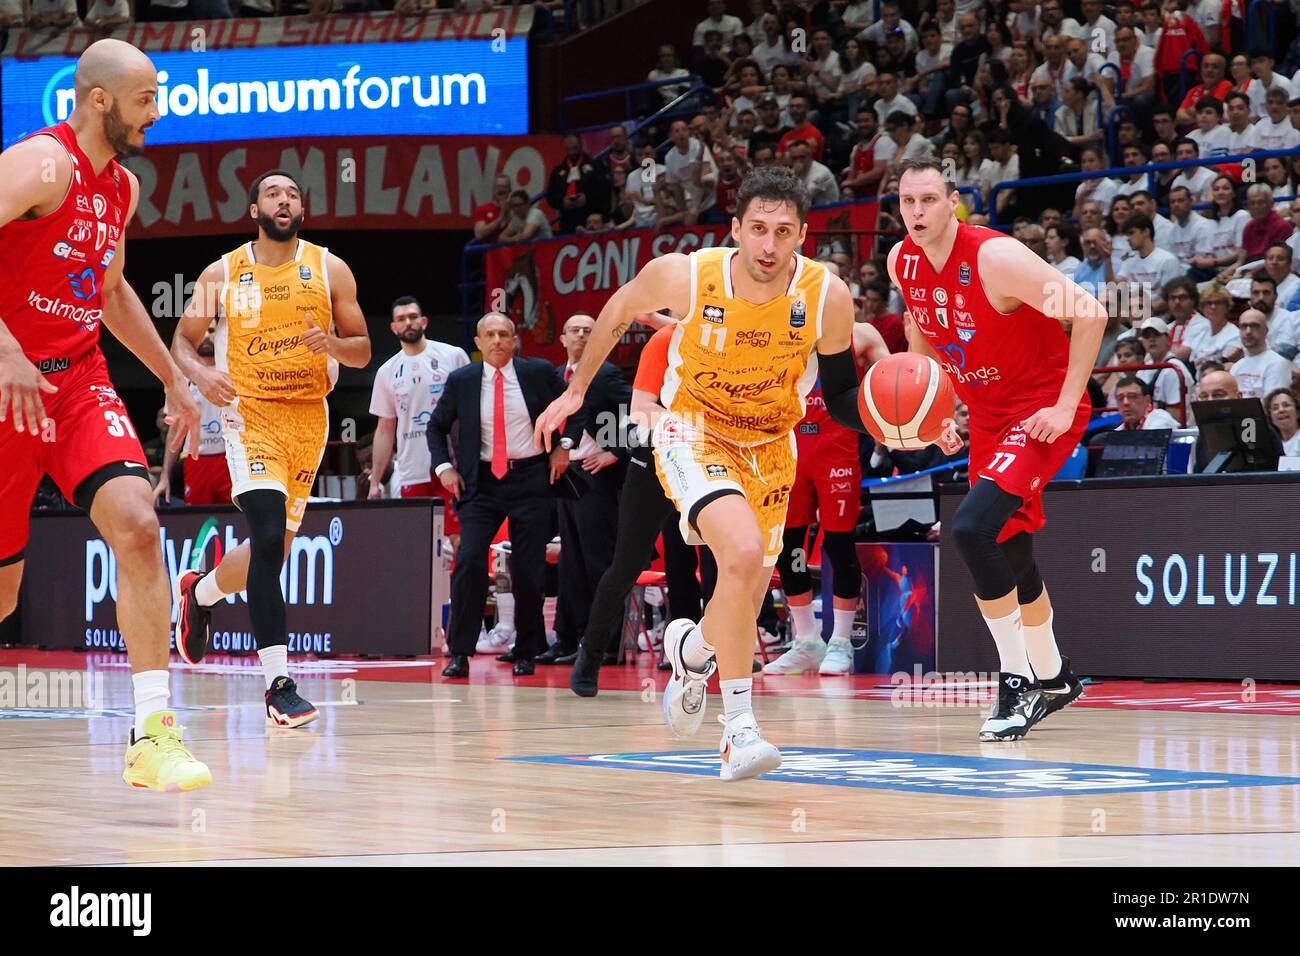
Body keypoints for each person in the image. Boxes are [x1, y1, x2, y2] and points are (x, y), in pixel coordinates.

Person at [536, 167, 871, 781]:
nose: (770, 246)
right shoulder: (686, 275)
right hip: (691, 432)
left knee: (744, 588)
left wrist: (897, 422)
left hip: (772, 444)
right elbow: (616, 311)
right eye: (759, 230)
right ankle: (738, 731)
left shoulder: (827, 296)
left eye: (785, 233)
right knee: (740, 555)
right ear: (737, 229)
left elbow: (845, 394)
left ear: (803, 237)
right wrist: (575, 392)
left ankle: (691, 653)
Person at [0, 39, 210, 792]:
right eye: (147, 99)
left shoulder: (120, 188)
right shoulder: (38, 164)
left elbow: (112, 290)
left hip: (80, 380)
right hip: (7, 388)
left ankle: (152, 735)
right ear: (99, 100)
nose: (157, 113)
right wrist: (5, 351)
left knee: (140, 525)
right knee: (5, 595)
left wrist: (173, 379)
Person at [890, 157, 1105, 740]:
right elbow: (920, 333)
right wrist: (933, 410)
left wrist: (1064, 407)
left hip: (1039, 408)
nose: (917, 212)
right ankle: (1057, 677)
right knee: (1010, 550)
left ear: (953, 201)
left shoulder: (994, 256)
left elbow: (1091, 312)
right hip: (984, 415)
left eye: (929, 200)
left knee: (971, 529)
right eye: (908, 201)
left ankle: (1016, 681)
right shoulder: (901, 260)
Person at [171, 169, 371, 727]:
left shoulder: (330, 267)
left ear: (301, 210)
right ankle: (279, 686)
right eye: (272, 194)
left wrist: (330, 342)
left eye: (293, 195)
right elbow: (181, 342)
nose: (284, 201)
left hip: (309, 419)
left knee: (271, 552)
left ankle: (201, 593)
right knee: (264, 536)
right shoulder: (222, 271)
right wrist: (203, 375)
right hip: (250, 415)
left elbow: (361, 352)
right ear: (253, 211)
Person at [429, 315, 581, 679]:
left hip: (531, 476)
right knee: (468, 562)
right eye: (489, 335)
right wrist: (444, 469)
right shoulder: (462, 380)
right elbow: (435, 427)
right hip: (480, 481)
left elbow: (575, 405)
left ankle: (527, 649)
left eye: (503, 334)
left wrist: (564, 445)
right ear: (479, 343)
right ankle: (460, 651)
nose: (497, 340)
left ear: (514, 341)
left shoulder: (537, 373)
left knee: (528, 568)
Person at [765, 321, 890, 675]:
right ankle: (806, 640)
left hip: (836, 446)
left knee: (838, 543)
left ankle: (841, 641)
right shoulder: (775, 329)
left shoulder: (862, 334)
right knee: (789, 546)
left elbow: (894, 374)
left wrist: (893, 423)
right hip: (789, 445)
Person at [544, 314, 632, 665]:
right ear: (562, 338)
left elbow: (636, 412)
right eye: (575, 330)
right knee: (570, 561)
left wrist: (616, 451)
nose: (581, 335)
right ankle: (568, 639)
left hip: (595, 474)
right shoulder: (554, 376)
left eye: (589, 331)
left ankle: (607, 644)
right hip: (565, 473)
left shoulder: (606, 374)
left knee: (598, 560)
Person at [367, 296, 472, 543]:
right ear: (393, 327)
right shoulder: (386, 371)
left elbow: (472, 412)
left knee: (458, 538)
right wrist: (375, 481)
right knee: (418, 542)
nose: (408, 323)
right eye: (401, 319)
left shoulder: (453, 356)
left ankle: (460, 583)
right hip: (411, 468)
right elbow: (384, 429)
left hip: (452, 465)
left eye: (413, 317)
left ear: (424, 321)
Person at [154, 321, 231, 507]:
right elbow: (174, 430)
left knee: (238, 519)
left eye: (211, 331)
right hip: (196, 461)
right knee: (199, 523)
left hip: (229, 458)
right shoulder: (181, 377)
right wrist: (165, 477)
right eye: (201, 332)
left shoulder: (233, 369)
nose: (206, 336)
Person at [1231, 309, 1294, 398]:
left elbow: (1272, 405)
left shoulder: (1277, 363)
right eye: (1244, 326)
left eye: (1254, 326)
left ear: (1266, 331)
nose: (1248, 331)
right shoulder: (1236, 367)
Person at [1113, 375, 1181, 430]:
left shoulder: (1161, 421)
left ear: (1147, 400)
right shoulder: (1118, 432)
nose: (1125, 402)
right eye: (1120, 398)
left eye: (1132, 396)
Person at [1265, 387, 1300, 458]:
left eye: (1286, 405)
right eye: (1275, 408)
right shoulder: (1269, 445)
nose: (1281, 410)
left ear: (1297, 412)